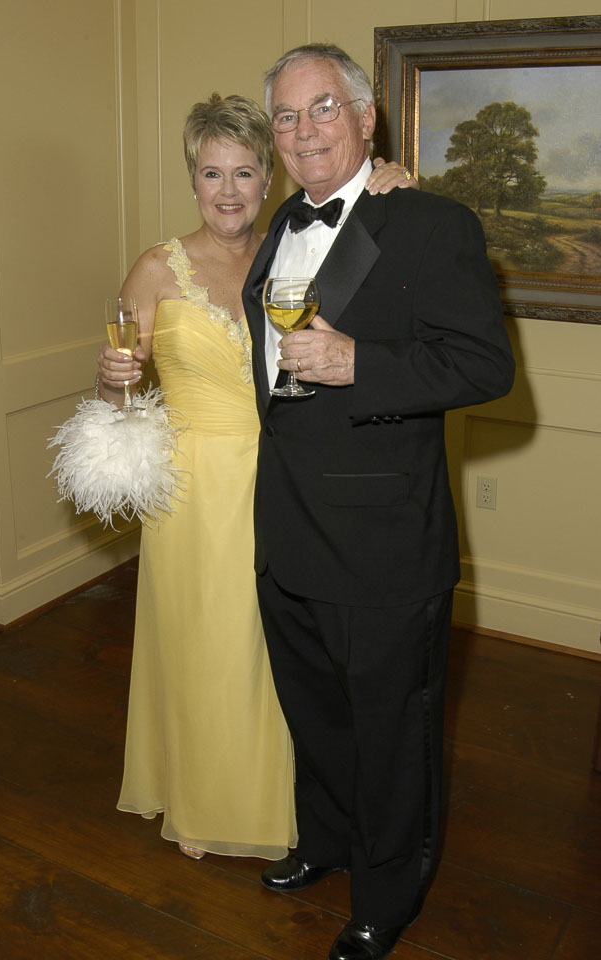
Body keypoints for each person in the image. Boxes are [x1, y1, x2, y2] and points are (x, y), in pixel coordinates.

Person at [242, 44, 515, 959]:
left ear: (367, 119)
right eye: (287, 116)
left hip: (385, 542)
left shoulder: (433, 223)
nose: (303, 130)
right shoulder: (280, 222)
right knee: (315, 712)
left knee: (394, 733)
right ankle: (325, 841)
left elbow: (485, 366)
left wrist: (361, 363)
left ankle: (388, 895)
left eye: (324, 108)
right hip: (287, 526)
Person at [96, 93, 415, 861]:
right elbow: (117, 398)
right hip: (192, 492)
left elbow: (367, 279)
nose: (229, 190)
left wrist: (394, 187)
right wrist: (112, 379)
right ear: (193, 179)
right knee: (205, 644)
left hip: (285, 478)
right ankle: (208, 798)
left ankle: (289, 800)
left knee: (281, 652)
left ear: (268, 178)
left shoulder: (290, 250)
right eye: (212, 173)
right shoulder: (156, 268)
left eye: (244, 172)